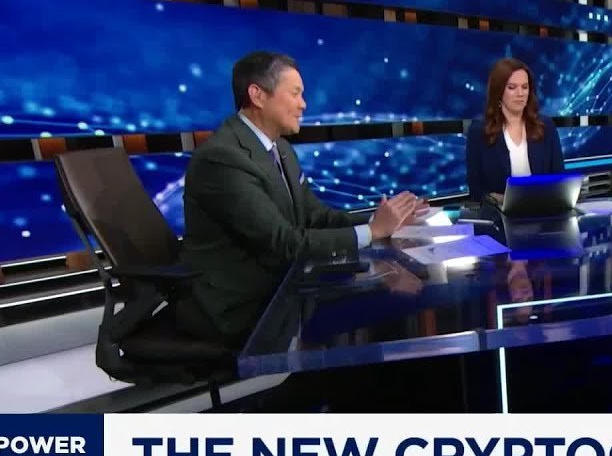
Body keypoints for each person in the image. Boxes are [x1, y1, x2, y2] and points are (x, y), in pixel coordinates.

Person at [175, 51, 425, 347]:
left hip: (284, 286)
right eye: (295, 93)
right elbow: (285, 243)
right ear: (257, 95)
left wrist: (381, 220)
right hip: (240, 307)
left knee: (383, 297)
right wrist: (372, 232)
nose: (303, 104)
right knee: (377, 306)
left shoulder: (280, 148)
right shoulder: (223, 158)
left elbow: (314, 216)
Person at [464, 57, 567, 204]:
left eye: (525, 87)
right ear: (499, 91)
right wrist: (499, 200)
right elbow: (476, 191)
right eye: (512, 87)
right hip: (499, 215)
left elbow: (560, 179)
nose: (520, 93)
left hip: (544, 211)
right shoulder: (479, 131)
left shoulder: (545, 126)